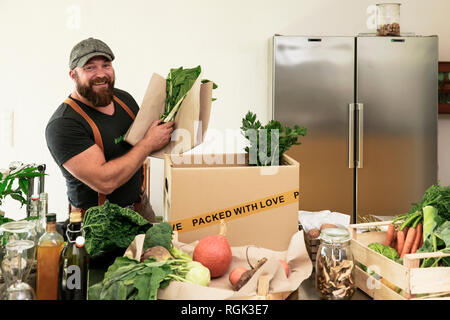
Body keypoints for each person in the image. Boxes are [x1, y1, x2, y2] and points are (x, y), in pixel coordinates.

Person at [45, 37, 174, 225]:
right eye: (90, 67)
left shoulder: (124, 100)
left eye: (106, 65)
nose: (101, 74)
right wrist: (149, 143)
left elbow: (147, 140)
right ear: (73, 75)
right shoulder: (63, 124)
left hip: (140, 209)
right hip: (97, 224)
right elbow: (105, 182)